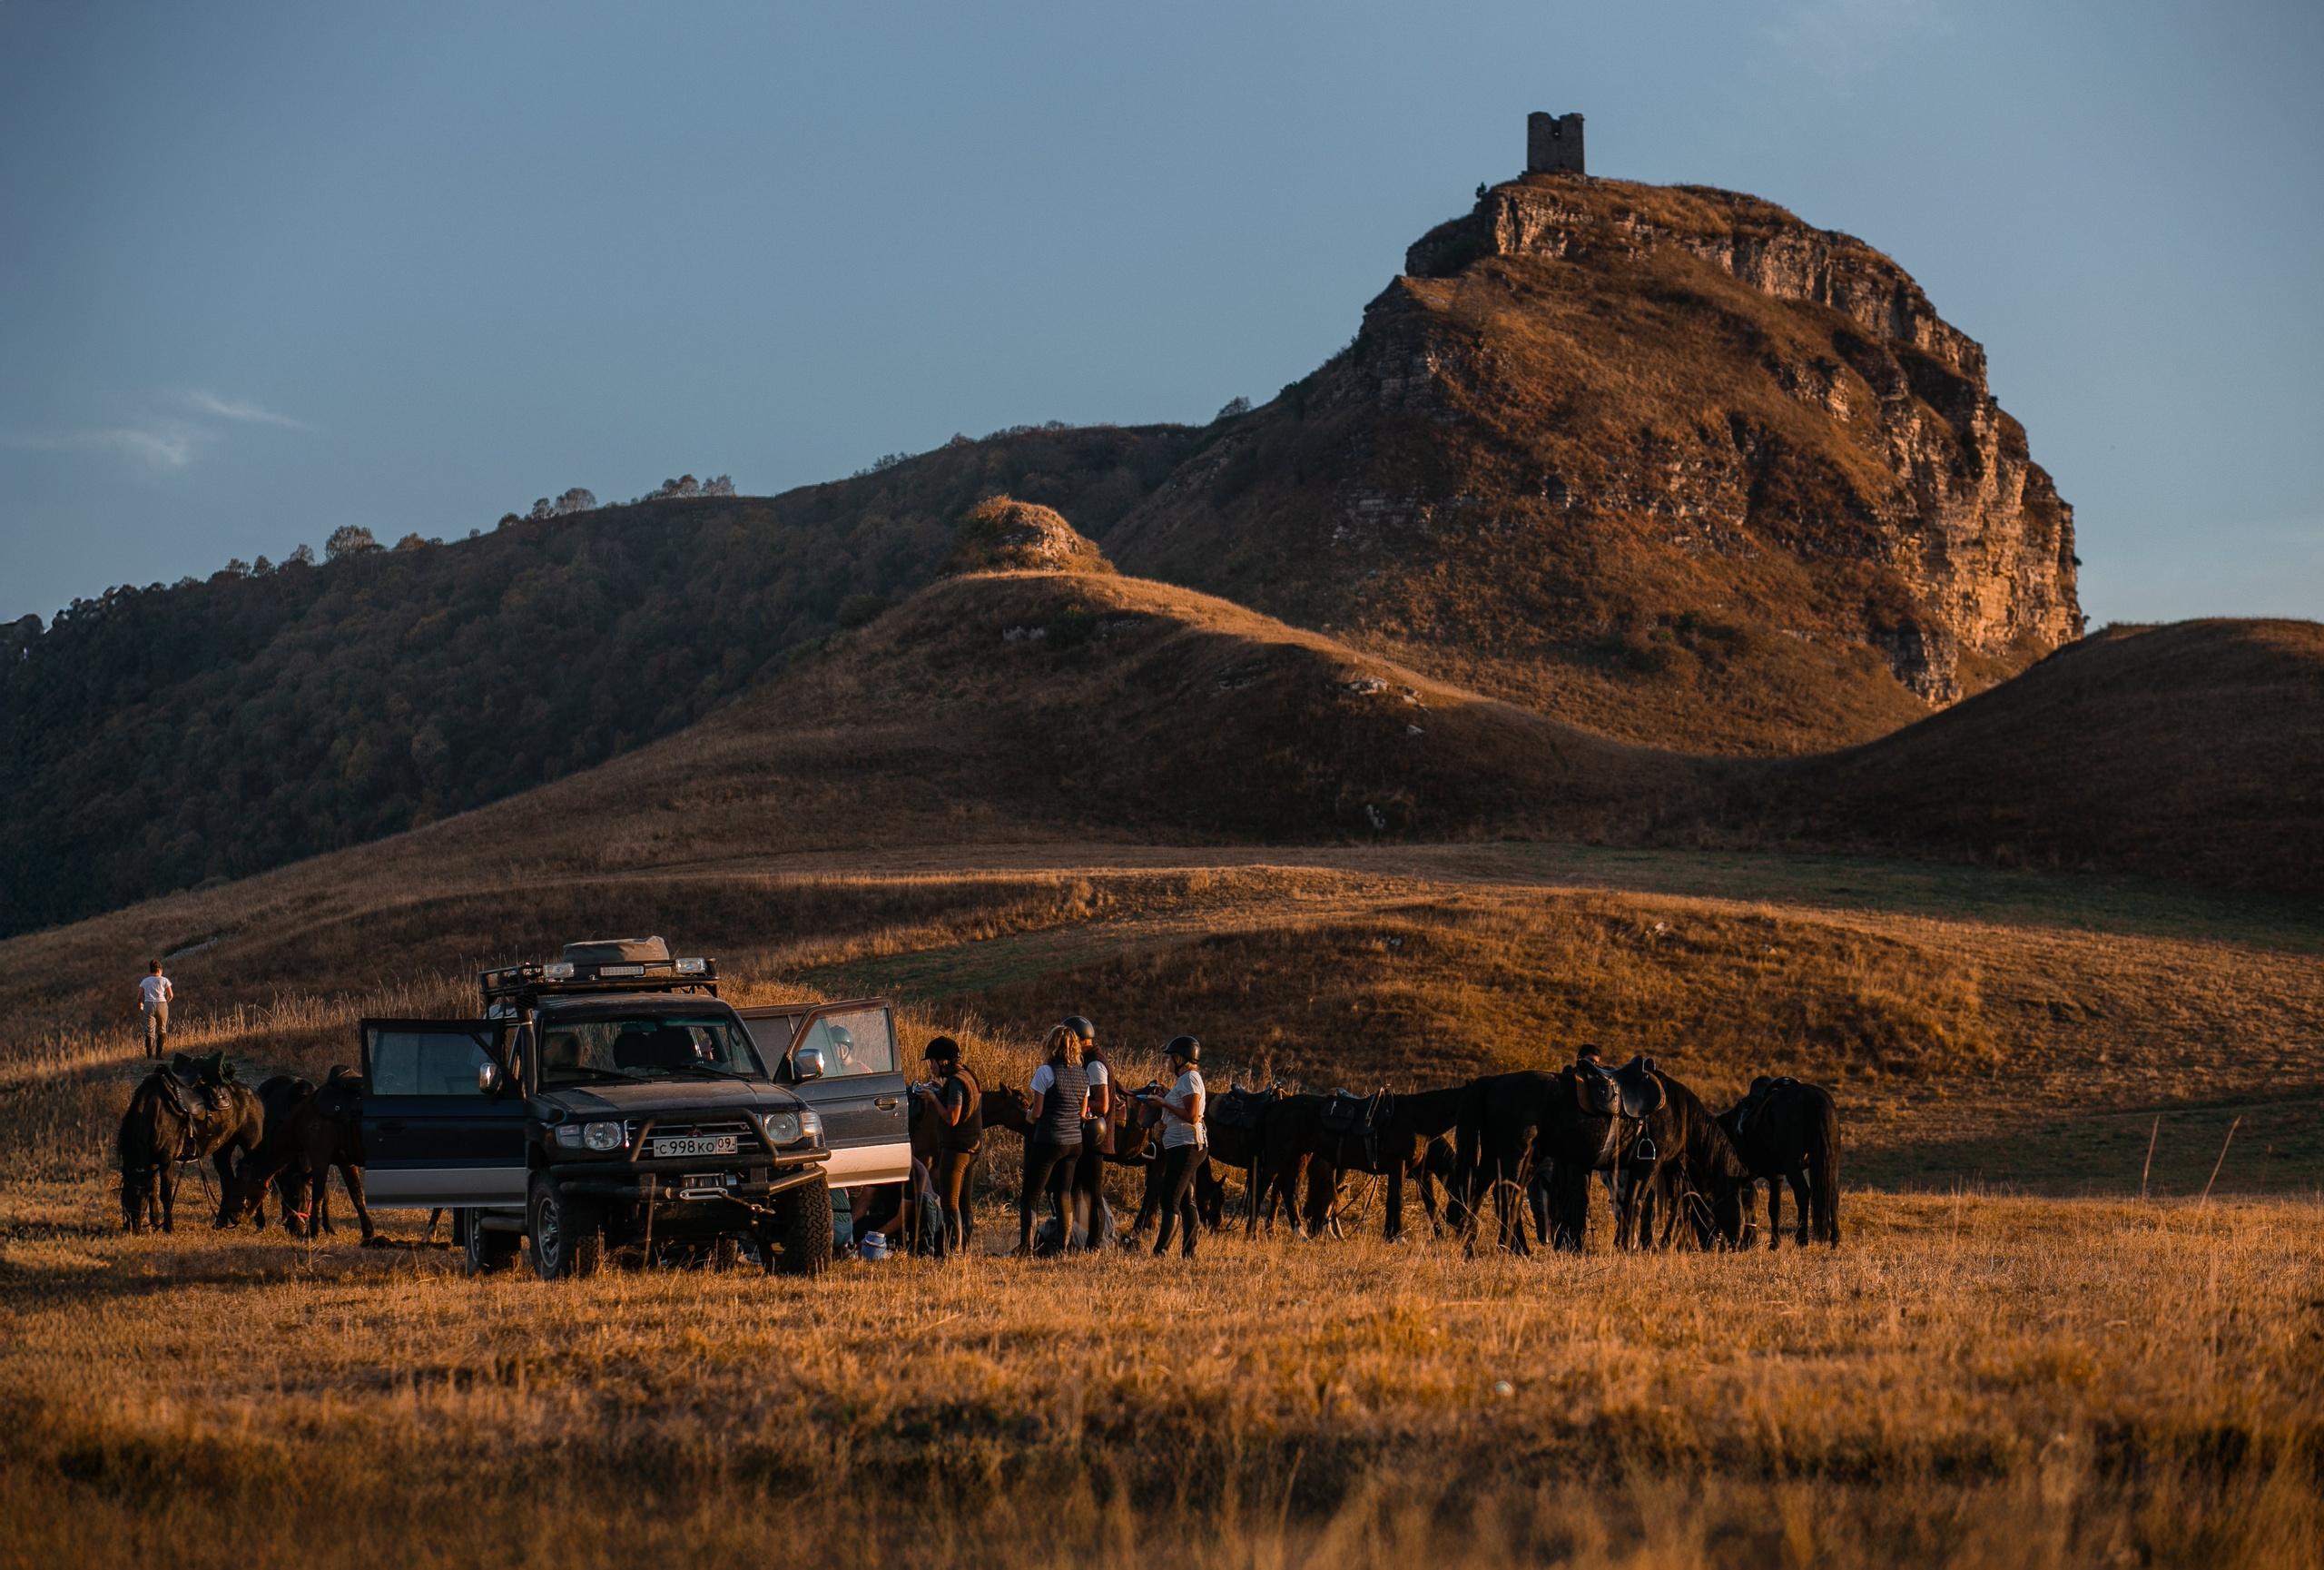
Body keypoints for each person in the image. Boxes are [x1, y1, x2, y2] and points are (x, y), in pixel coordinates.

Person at [1018, 1022, 1088, 1256]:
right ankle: (1062, 1246)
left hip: (1049, 1140)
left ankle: (1026, 1246)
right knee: (1063, 1194)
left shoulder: (1045, 1072)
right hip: (1074, 1143)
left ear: (1051, 1045)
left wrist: (1028, 1116)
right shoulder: (1083, 1075)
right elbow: (1081, 1113)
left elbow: (1037, 1113)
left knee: (1031, 1194)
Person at [915, 1036, 982, 1251]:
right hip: (971, 1148)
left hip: (956, 1148)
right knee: (964, 1203)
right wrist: (939, 1090)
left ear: (943, 1061)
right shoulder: (967, 1076)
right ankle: (964, 1249)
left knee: (949, 1202)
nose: (931, 1066)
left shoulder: (955, 1083)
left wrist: (933, 1099)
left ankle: (951, 1251)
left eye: (932, 1061)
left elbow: (952, 1118)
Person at [1148, 1035, 1207, 1259]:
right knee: (1185, 1200)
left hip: (1186, 1145)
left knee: (1169, 1198)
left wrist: (1163, 1103)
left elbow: (1192, 1116)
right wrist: (1167, 1096)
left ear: (1179, 1058)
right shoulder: (1186, 1080)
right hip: (1186, 1145)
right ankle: (1188, 1252)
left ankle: (1160, 1251)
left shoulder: (1190, 1079)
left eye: (1170, 1058)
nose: (1167, 1063)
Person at [136, 960, 172, 1060]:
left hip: (148, 1004)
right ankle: (159, 1054)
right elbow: (171, 995)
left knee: (149, 1030)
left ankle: (149, 1055)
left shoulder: (145, 981)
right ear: (160, 970)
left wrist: (140, 1004)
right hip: (162, 1004)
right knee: (162, 1029)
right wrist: (165, 1003)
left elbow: (139, 996)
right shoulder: (165, 980)